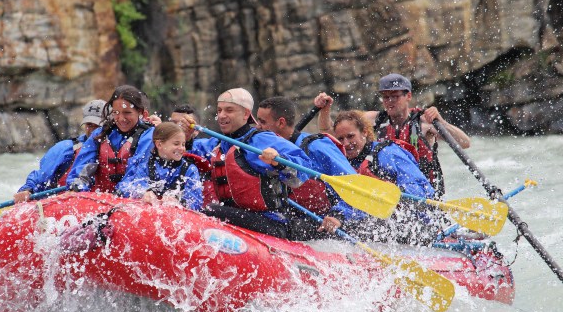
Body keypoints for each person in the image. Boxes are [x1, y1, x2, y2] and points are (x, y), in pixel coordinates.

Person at [184, 88, 332, 240]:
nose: (221, 115)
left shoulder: (263, 140)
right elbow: (181, 153)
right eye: (219, 110)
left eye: (229, 110)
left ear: (246, 114)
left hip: (272, 221)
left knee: (211, 210)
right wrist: (187, 139)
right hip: (238, 216)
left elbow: (304, 167)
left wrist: (278, 161)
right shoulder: (219, 143)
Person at [316, 73, 471, 197]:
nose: (389, 101)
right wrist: (325, 110)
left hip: (423, 192)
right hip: (389, 194)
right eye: (385, 97)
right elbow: (331, 131)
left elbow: (464, 143)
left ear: (408, 96)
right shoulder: (374, 119)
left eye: (395, 96)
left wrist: (441, 122)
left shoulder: (424, 123)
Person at [331, 110, 439, 244]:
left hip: (417, 225)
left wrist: (392, 194)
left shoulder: (388, 152)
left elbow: (422, 190)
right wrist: (337, 215)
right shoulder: (344, 164)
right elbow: (354, 199)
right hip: (378, 223)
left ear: (364, 132)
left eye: (351, 136)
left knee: (360, 228)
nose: (346, 143)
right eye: (341, 139)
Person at [256, 96, 366, 225]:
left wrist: (339, 216)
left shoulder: (317, 146)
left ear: (281, 123)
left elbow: (354, 184)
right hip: (300, 220)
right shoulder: (271, 151)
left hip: (334, 223)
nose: (257, 127)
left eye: (262, 122)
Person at [14, 99, 105, 203]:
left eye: (98, 126)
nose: (93, 130)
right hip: (63, 204)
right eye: (89, 125)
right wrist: (27, 190)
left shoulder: (116, 148)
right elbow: (42, 175)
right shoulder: (66, 148)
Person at [66, 85, 154, 192]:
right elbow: (82, 168)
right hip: (103, 198)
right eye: (116, 112)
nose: (121, 118)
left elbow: (139, 174)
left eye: (127, 112)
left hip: (130, 197)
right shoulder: (100, 133)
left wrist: (120, 194)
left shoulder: (149, 136)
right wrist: (76, 186)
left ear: (140, 112)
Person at [116, 122, 203, 210]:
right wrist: (144, 192)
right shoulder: (145, 167)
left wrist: (178, 201)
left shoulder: (190, 170)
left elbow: (196, 202)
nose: (181, 148)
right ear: (159, 144)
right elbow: (125, 187)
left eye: (183, 144)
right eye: (176, 144)